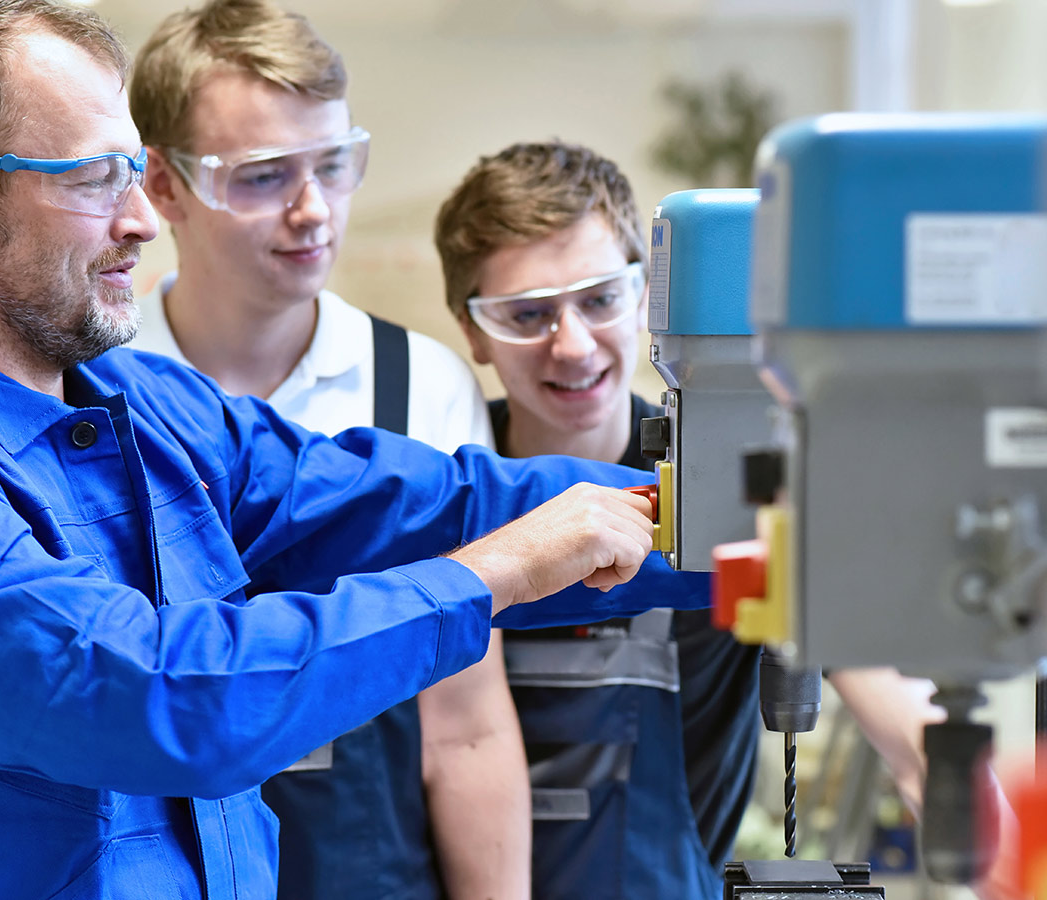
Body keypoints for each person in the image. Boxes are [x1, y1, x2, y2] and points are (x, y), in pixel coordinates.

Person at [0, 5, 712, 899]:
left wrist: (767, 524)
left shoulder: (153, 407)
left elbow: (428, 505)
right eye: (98, 178)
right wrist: (497, 571)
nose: (143, 220)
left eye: (135, 173)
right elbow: (157, 698)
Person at [434, 140, 1024, 900]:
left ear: (650, 296)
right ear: (474, 331)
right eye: (528, 314)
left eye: (599, 298)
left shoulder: (732, 480)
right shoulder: (435, 500)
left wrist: (1000, 844)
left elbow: (900, 717)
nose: (573, 343)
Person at [126, 3, 528, 896]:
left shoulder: (417, 385)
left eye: (334, 165)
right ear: (161, 187)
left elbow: (464, 725)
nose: (313, 211)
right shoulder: (95, 393)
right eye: (266, 176)